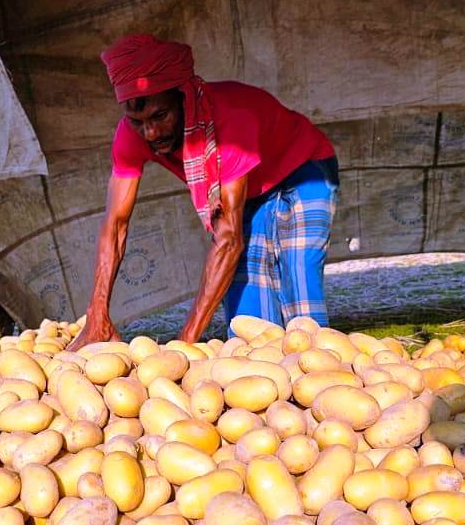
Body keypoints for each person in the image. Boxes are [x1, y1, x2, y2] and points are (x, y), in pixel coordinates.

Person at [68, 33, 339, 348]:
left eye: (160, 116)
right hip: (246, 189)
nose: (150, 132)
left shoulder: (230, 122)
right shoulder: (132, 134)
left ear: (183, 97)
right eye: (138, 121)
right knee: (247, 316)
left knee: (297, 277)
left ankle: (318, 368)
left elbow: (227, 241)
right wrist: (96, 314)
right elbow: (115, 225)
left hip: (303, 169)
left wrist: (184, 345)